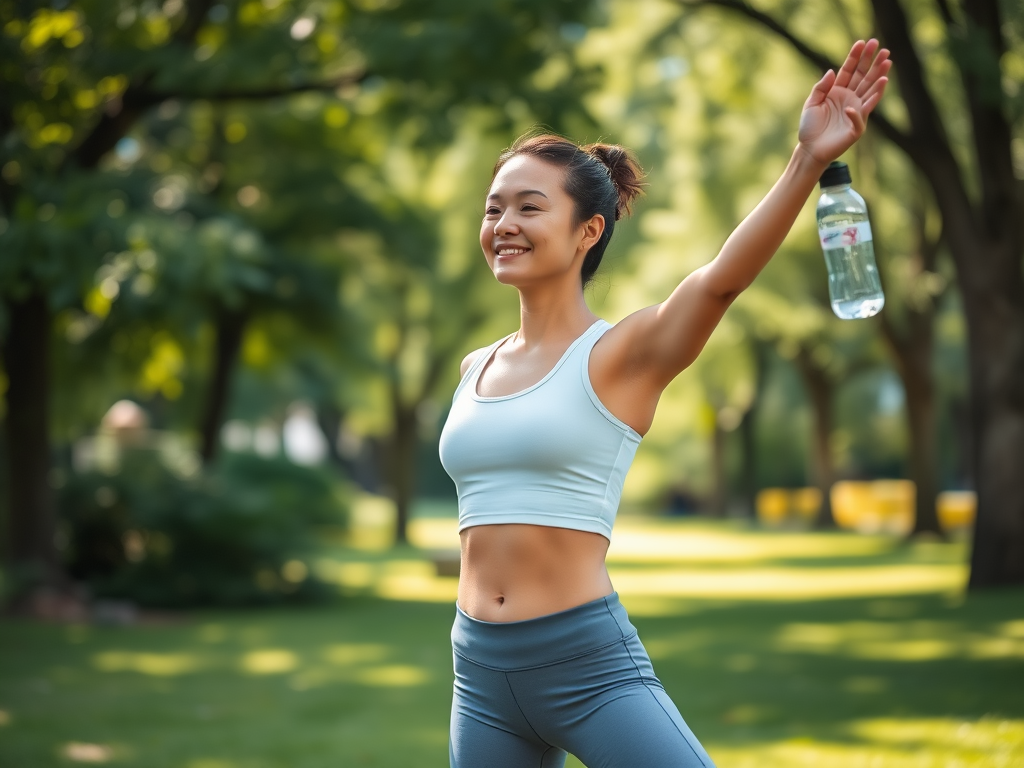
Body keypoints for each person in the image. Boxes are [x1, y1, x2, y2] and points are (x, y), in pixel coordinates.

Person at [439, 39, 890, 768]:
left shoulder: (623, 355)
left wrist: (806, 162)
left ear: (590, 231)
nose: (504, 224)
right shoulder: (474, 366)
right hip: (478, 672)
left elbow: (717, 282)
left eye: (529, 206)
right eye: (494, 208)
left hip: (584, 665)